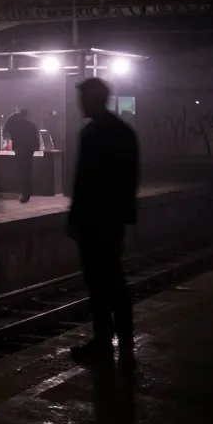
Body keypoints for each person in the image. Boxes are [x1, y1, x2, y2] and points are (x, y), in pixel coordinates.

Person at [68, 77, 140, 366]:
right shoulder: (124, 131)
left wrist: (75, 217)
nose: (79, 104)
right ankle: (123, 343)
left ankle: (103, 341)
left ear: (92, 99)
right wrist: (124, 215)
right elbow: (130, 178)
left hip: (93, 220)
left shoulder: (92, 133)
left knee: (98, 283)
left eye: (82, 98)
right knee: (112, 280)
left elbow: (84, 181)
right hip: (113, 219)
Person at [3, 108, 41, 203]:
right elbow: (35, 140)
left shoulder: (15, 125)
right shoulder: (31, 125)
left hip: (20, 151)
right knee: (27, 172)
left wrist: (11, 116)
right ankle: (27, 193)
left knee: (22, 173)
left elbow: (5, 129)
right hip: (29, 152)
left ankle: (25, 194)